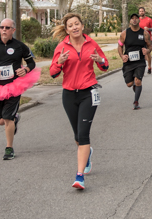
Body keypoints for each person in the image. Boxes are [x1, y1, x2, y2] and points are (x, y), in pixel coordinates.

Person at [50, 13, 109, 190]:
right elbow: (53, 73)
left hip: (88, 92)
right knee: (77, 135)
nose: (74, 27)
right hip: (69, 94)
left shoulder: (92, 44)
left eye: (77, 24)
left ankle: (79, 176)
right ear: (67, 30)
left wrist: (101, 60)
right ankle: (87, 153)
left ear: (82, 26)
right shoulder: (61, 47)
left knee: (83, 134)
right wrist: (59, 62)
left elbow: (104, 66)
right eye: (70, 25)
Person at [0, 18, 40, 160]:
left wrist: (27, 69)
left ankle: (9, 148)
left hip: (14, 86)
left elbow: (31, 62)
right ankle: (14, 118)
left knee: (7, 117)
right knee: (0, 121)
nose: (4, 30)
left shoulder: (20, 46)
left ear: (13, 30)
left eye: (7, 27)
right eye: (2, 27)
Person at [118, 13, 152, 110]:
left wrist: (148, 51)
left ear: (139, 20)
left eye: (136, 18)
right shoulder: (125, 33)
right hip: (128, 61)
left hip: (140, 61)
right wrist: (121, 56)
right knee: (129, 84)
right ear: (130, 21)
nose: (134, 20)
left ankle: (136, 102)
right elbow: (120, 46)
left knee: (138, 81)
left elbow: (150, 46)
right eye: (132, 18)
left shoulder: (144, 33)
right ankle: (135, 87)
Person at [138, 7, 152, 74]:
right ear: (139, 12)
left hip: (148, 39)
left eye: (142, 11)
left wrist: (148, 29)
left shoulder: (149, 19)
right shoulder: (137, 20)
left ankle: (149, 67)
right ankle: (141, 67)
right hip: (139, 39)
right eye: (140, 11)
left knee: (148, 52)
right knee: (140, 54)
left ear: (144, 12)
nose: (141, 12)